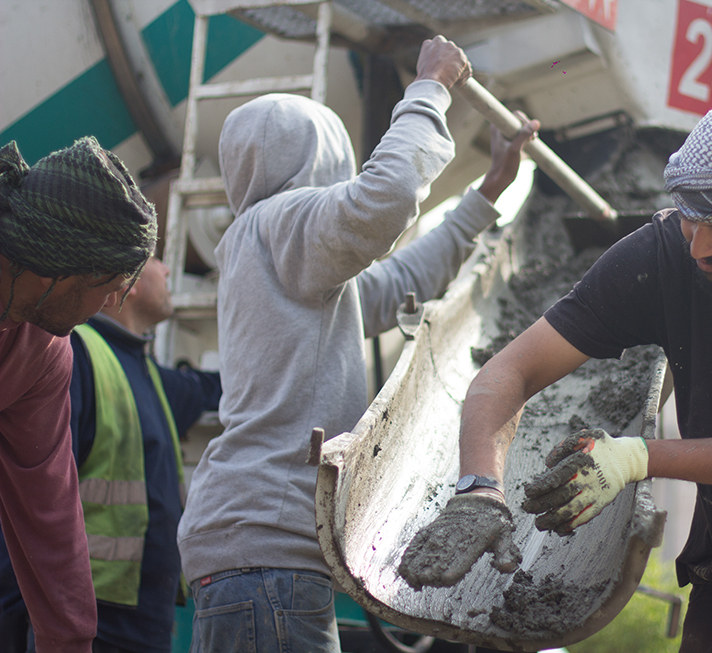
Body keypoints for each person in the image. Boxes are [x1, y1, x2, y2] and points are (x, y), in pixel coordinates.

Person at [399, 101, 712, 652]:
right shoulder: (665, 254)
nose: (699, 245)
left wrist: (635, 457)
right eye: (691, 218)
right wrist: (478, 489)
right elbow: (510, 371)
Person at [175, 35, 540, 652]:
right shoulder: (281, 225)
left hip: (261, 548)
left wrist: (487, 193)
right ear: (319, 161)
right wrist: (429, 89)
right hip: (268, 551)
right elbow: (386, 199)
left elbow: (397, 284)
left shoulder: (277, 256)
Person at [0, 255, 222, 653]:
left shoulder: (147, 371)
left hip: (144, 620)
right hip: (89, 621)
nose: (169, 270)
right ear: (124, 283)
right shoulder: (71, 355)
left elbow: (212, 389)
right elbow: (30, 493)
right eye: (158, 260)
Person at [0, 137, 157, 652]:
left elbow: (48, 507)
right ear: (64, 265)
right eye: (110, 282)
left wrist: (69, 640)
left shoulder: (44, 351)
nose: (116, 300)